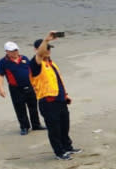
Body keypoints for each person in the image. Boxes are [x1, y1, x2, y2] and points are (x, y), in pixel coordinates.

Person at [29, 32, 81, 160]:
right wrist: (46, 40)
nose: (48, 50)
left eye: (49, 48)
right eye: (46, 48)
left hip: (60, 100)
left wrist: (65, 95)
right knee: (54, 129)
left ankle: (67, 147)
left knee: (64, 125)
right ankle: (59, 152)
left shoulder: (52, 64)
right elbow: (40, 54)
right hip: (48, 102)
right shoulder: (36, 65)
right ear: (37, 49)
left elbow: (57, 80)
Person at [0, 40, 44, 135]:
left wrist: (37, 84)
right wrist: (1, 88)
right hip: (16, 89)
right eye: (12, 51)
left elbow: (32, 72)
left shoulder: (24, 58)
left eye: (16, 50)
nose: (15, 52)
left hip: (30, 87)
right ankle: (24, 127)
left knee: (33, 106)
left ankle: (36, 124)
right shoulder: (3, 62)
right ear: (7, 51)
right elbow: (0, 75)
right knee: (20, 108)